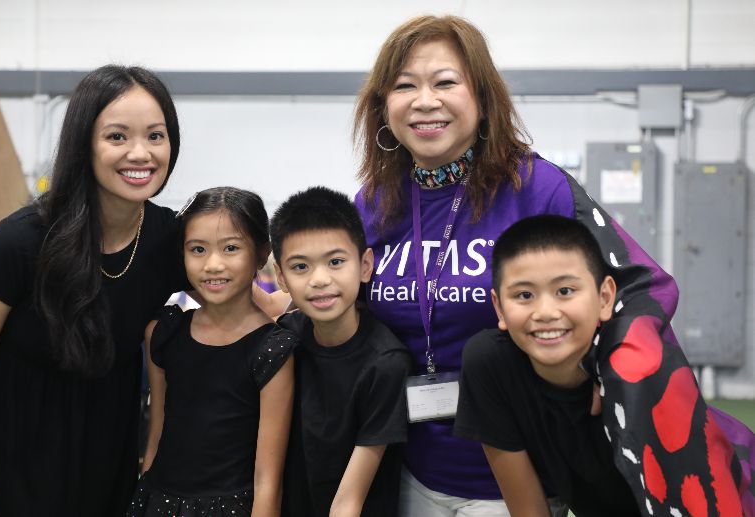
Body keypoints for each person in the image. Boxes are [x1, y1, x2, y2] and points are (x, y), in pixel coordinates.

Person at [352, 14, 755, 517]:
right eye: (404, 85)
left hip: (521, 476)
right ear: (382, 105)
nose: (425, 100)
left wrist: (603, 370)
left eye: (445, 82)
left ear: (481, 97)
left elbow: (638, 286)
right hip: (407, 471)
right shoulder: (373, 204)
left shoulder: (537, 187)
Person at [0, 65, 187, 517]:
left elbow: (239, 288)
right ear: (84, 145)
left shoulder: (168, 239)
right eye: (117, 137)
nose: (141, 153)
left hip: (92, 455)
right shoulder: (21, 241)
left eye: (156, 136)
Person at [127, 187, 295, 517]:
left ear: (262, 253)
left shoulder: (274, 349)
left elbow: (268, 480)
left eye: (231, 248)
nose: (213, 264)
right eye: (198, 249)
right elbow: (156, 435)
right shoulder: (164, 333)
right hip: (160, 502)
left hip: (232, 508)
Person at [455, 215, 634, 516]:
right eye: (525, 295)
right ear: (498, 307)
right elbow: (528, 510)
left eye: (565, 291)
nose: (546, 312)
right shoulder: (490, 363)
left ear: (605, 298)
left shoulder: (637, 369)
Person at [270, 186, 411, 517]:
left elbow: (349, 501)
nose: (320, 279)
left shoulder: (385, 363)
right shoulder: (286, 338)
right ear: (281, 276)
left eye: (335, 262)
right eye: (300, 267)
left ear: (364, 266)